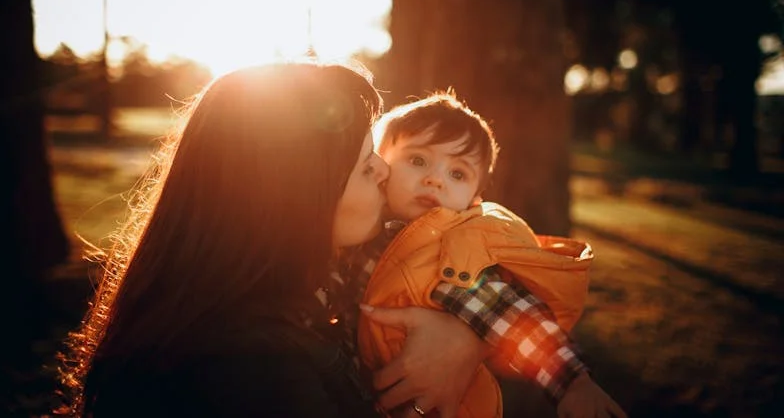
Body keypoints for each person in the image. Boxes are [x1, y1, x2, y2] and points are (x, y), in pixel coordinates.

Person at [56, 62, 493, 417]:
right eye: (365, 165)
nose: (384, 170)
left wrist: (466, 337)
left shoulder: (289, 295)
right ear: (298, 195)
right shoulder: (252, 367)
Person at [356, 92, 626, 417]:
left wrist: (573, 384)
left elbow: (516, 319)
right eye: (418, 160)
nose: (435, 179)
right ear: (381, 164)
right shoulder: (365, 235)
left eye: (457, 174)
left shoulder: (451, 255)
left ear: (474, 198)